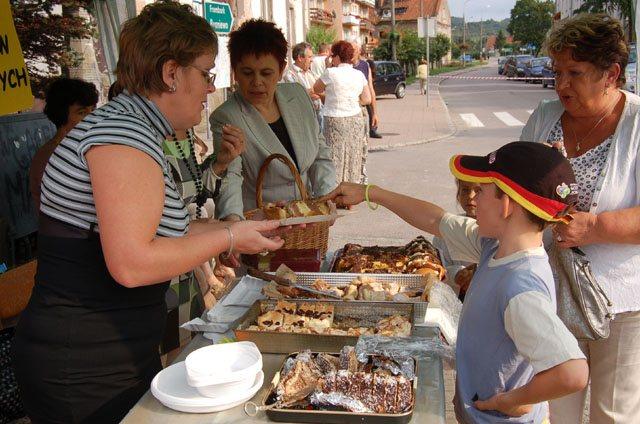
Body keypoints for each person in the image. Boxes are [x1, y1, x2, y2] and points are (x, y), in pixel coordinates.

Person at [12, 2, 285, 422]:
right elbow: (133, 263)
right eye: (206, 73)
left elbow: (156, 228)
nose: (211, 87)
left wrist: (235, 226)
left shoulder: (132, 129)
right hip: (85, 364)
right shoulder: (122, 137)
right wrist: (230, 238)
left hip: (113, 349)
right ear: (171, 73)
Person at [326, 142, 589, 424]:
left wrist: (512, 400)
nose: (473, 199)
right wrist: (370, 192)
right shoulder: (495, 247)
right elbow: (435, 219)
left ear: (507, 205)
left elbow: (572, 372)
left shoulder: (520, 287)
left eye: (482, 191)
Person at [520, 13, 640, 423]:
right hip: (549, 291)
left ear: (611, 74)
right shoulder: (544, 115)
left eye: (575, 72)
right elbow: (512, 189)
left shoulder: (637, 124)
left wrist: (595, 226)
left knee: (613, 414)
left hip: (622, 302)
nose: (562, 84)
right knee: (554, 411)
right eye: (557, 71)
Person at [211, 19, 336, 227]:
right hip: (261, 228)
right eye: (247, 73)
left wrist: (326, 199)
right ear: (235, 71)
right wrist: (233, 226)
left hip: (309, 226)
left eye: (266, 73)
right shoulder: (227, 117)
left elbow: (319, 152)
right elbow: (230, 177)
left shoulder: (297, 95)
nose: (257, 82)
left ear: (281, 69)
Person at [29, 78, 99, 210]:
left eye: (93, 110)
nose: (92, 117)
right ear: (61, 114)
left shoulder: (81, 147)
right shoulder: (54, 156)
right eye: (82, 112)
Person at [313, 41, 371, 184]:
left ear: (337, 57)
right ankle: (350, 197)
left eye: (333, 56)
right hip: (355, 118)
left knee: (334, 157)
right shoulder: (358, 74)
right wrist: (351, 101)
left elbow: (316, 89)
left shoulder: (330, 72)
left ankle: (334, 194)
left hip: (335, 119)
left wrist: (327, 68)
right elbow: (367, 99)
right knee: (353, 156)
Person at [432, 179, 479, 300]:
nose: (470, 196)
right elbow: (436, 266)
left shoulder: (501, 231)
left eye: (478, 191)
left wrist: (478, 273)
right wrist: (456, 274)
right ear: (458, 195)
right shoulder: (447, 228)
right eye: (465, 190)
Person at [283, 41, 323, 120]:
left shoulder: (310, 73)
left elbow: (318, 91)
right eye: (309, 57)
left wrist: (311, 92)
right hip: (302, 117)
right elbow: (297, 95)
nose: (312, 60)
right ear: (300, 58)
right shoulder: (290, 75)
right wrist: (312, 92)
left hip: (317, 116)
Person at [352, 42, 382, 140]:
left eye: (354, 50)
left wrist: (374, 113)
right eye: (349, 50)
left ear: (359, 51)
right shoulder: (343, 66)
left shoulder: (365, 66)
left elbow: (371, 88)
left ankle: (372, 130)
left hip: (362, 106)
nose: (351, 53)